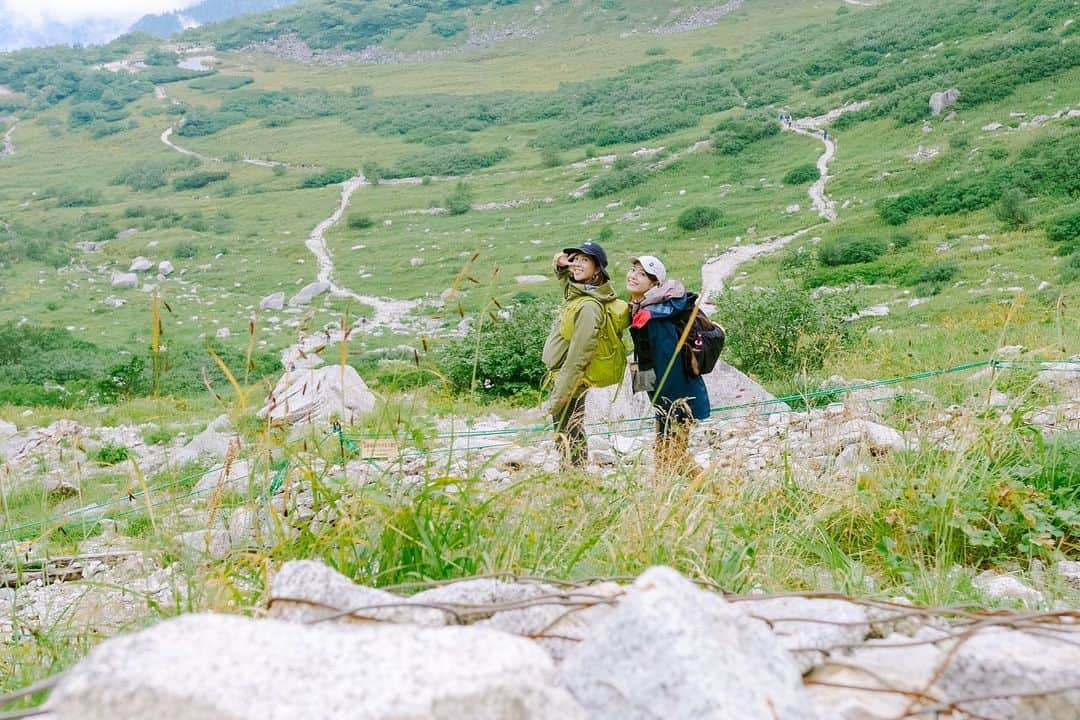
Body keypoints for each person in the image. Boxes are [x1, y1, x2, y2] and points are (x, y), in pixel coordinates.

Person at [542, 241, 627, 468]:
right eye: (575, 259)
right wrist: (561, 264)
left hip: (570, 380)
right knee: (567, 432)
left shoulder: (589, 306)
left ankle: (575, 481)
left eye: (584, 260)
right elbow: (566, 281)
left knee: (569, 433)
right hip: (563, 378)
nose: (577, 264)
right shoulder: (578, 293)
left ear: (597, 269)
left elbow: (580, 355)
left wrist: (558, 396)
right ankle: (573, 479)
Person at [625, 255, 710, 477]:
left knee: (673, 457)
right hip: (667, 399)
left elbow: (667, 365)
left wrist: (667, 410)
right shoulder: (645, 308)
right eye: (633, 270)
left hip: (677, 399)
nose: (633, 275)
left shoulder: (654, 316)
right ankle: (666, 499)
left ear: (655, 285)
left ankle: (718, 492)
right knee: (667, 457)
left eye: (642, 274)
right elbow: (646, 359)